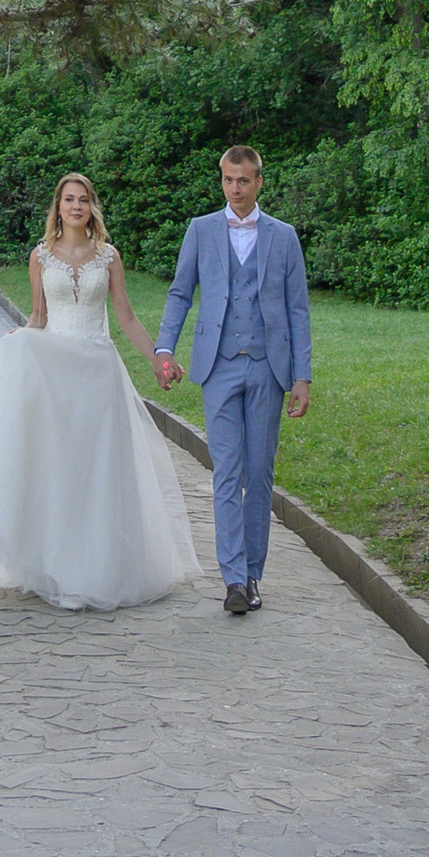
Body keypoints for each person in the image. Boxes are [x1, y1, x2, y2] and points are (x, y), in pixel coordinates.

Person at [0, 172, 201, 611]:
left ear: (92, 207)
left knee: (98, 469)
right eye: (69, 200)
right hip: (56, 377)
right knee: (58, 469)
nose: (76, 206)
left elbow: (127, 317)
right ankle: (54, 564)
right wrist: (18, 338)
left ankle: (100, 566)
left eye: (83, 200)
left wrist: (159, 357)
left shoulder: (109, 257)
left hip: (98, 373)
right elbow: (39, 317)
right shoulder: (41, 256)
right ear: (58, 208)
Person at [151, 143, 311, 619]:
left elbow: (299, 310)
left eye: (244, 180)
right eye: (228, 180)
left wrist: (302, 376)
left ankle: (254, 572)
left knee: (258, 472)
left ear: (259, 182)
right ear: (220, 180)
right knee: (226, 471)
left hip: (267, 365)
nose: (235, 189)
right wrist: (164, 348)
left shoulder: (283, 237)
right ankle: (233, 580)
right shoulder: (200, 231)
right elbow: (181, 292)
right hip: (217, 364)